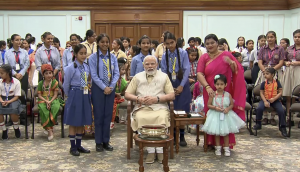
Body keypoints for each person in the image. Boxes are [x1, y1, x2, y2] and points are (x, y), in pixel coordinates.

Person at [197, 34, 246, 149]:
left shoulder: (226, 55)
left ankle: (225, 143)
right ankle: (211, 142)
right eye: (207, 43)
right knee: (211, 115)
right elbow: (199, 73)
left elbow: (236, 71)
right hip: (209, 91)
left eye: (212, 43)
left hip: (224, 90)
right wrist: (207, 87)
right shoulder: (204, 57)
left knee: (224, 115)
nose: (210, 45)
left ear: (217, 43)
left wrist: (231, 63)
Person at [125, 55, 175, 164]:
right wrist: (138, 98)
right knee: (141, 117)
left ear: (157, 65)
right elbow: (127, 94)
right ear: (143, 65)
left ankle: (161, 150)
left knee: (162, 117)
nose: (150, 66)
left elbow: (171, 95)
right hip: (142, 107)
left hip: (159, 106)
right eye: (147, 64)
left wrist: (156, 99)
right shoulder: (137, 77)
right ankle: (151, 150)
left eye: (152, 64)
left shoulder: (164, 76)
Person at [89, 33, 119, 152]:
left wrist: (111, 86)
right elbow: (94, 75)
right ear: (98, 43)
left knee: (108, 116)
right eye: (102, 42)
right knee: (99, 115)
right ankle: (98, 142)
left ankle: (106, 141)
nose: (105, 44)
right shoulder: (93, 58)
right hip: (98, 89)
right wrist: (103, 87)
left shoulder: (113, 57)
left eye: (107, 42)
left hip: (110, 89)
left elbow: (116, 73)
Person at [202, 74, 245, 156]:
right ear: (214, 85)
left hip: (226, 115)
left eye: (221, 84)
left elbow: (232, 104)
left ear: (225, 85)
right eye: (217, 84)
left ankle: (226, 148)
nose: (219, 86)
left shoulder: (228, 95)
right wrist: (215, 107)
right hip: (215, 114)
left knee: (226, 133)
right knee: (217, 133)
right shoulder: (213, 94)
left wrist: (228, 109)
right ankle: (217, 148)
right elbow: (208, 105)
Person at [161, 32, 191, 146]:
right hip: (170, 83)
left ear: (176, 41)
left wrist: (181, 85)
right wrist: (169, 87)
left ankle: (182, 135)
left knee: (182, 111)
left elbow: (186, 69)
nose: (170, 45)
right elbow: (163, 71)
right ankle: (172, 134)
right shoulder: (165, 55)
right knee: (171, 110)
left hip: (182, 83)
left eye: (172, 43)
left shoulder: (183, 53)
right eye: (167, 44)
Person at [63, 44, 92, 156]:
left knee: (81, 120)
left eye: (85, 53)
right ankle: (72, 146)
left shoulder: (86, 66)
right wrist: (69, 95)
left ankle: (79, 145)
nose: (83, 55)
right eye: (81, 53)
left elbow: (88, 80)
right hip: (74, 93)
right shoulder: (70, 68)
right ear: (75, 54)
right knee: (73, 121)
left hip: (84, 93)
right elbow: (66, 84)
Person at [256, 31, 285, 125]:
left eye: (272, 37)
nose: (269, 39)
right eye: (268, 37)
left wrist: (272, 70)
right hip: (264, 71)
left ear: (275, 38)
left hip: (276, 71)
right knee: (264, 91)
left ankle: (272, 117)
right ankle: (264, 117)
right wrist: (265, 71)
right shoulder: (262, 49)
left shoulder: (280, 48)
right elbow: (259, 62)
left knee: (274, 92)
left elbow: (281, 62)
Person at [252, 68, 287, 137]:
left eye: (267, 74)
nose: (265, 75)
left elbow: (280, 92)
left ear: (272, 75)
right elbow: (261, 93)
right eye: (264, 74)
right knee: (259, 108)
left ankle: (283, 127)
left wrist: (274, 99)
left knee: (281, 110)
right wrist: (265, 101)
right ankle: (258, 123)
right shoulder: (263, 83)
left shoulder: (277, 83)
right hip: (265, 100)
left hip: (275, 100)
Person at [37, 64, 64, 141]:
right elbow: (39, 95)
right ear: (43, 75)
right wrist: (46, 101)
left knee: (55, 107)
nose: (49, 75)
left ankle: (48, 127)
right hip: (43, 99)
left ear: (52, 74)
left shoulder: (55, 82)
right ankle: (50, 130)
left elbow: (55, 95)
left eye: (50, 73)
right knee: (44, 109)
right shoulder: (40, 83)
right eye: (46, 73)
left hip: (53, 99)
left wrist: (50, 101)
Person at [281, 29, 300, 128]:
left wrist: (298, 63)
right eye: (295, 37)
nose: (297, 39)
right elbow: (283, 60)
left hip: (299, 70)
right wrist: (286, 63)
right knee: (289, 94)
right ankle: (289, 117)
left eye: (299, 37)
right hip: (289, 70)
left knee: (297, 94)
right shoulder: (289, 49)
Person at [0, 64, 24, 139]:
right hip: (2, 99)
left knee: (13, 109)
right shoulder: (0, 82)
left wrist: (9, 101)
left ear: (8, 73)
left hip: (13, 99)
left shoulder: (16, 82)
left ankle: (16, 128)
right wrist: (2, 101)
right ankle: (4, 129)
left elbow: (17, 96)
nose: (0, 75)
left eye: (2, 73)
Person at [111, 61, 127, 129]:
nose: (124, 71)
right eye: (122, 69)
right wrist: (115, 94)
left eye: (124, 69)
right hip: (111, 97)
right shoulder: (112, 79)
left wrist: (120, 94)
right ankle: (112, 121)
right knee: (114, 103)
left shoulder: (123, 81)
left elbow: (124, 92)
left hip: (119, 97)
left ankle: (120, 118)